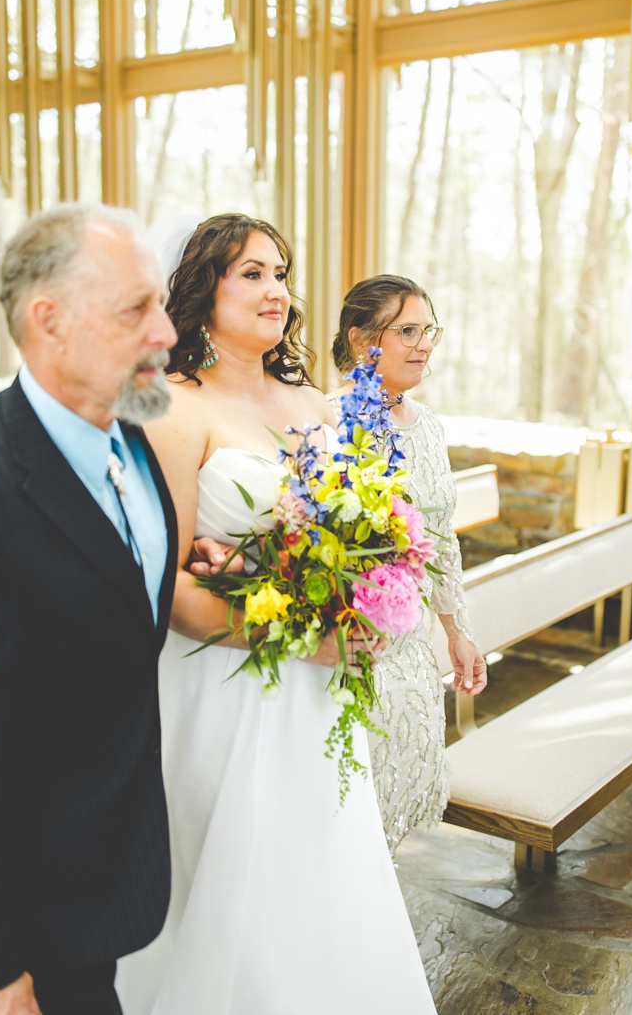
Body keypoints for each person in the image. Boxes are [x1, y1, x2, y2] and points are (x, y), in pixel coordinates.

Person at [113, 214, 435, 1014]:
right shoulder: (172, 410)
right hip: (224, 684)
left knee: (318, 876)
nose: (276, 291)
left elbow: (366, 529)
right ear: (200, 289)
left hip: (319, 691)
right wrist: (301, 636)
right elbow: (167, 592)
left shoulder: (318, 404)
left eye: (281, 273)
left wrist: (365, 597)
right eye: (250, 273)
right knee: (227, 887)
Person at [0, 204, 179, 1015]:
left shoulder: (129, 432)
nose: (167, 331)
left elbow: (102, 588)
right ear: (50, 321)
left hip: (101, 875)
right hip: (22, 921)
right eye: (135, 308)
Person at [330, 274, 488, 852]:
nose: (423, 344)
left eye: (428, 331)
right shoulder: (329, 424)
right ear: (360, 340)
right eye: (407, 331)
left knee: (393, 814)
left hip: (413, 647)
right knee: (348, 811)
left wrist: (458, 632)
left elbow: (442, 540)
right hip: (351, 648)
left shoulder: (430, 429)